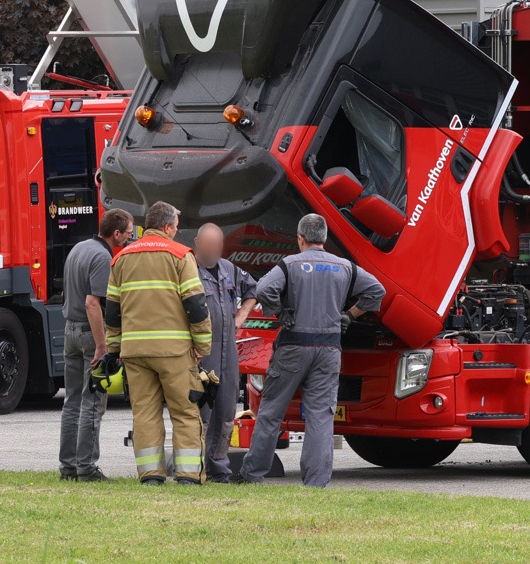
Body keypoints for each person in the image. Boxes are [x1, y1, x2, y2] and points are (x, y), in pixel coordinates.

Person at [238, 213, 384, 488]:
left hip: (293, 347)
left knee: (271, 411)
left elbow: (263, 288)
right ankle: (316, 482)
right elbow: (377, 290)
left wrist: (280, 311)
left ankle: (253, 474)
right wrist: (349, 315)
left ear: (300, 238)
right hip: (328, 349)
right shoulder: (345, 267)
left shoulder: (290, 264)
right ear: (324, 238)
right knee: (320, 415)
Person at [101, 200, 211, 485]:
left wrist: (114, 348)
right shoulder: (180, 255)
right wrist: (202, 346)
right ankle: (188, 475)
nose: (176, 232)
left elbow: (112, 311)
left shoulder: (121, 258)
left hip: (135, 352)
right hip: (174, 351)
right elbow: (196, 305)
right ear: (167, 227)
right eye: (176, 227)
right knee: (185, 412)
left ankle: (151, 475)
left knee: (145, 414)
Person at [59, 208, 134, 480]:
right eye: (128, 233)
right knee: (93, 403)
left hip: (69, 329)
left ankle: (68, 466)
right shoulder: (103, 257)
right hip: (90, 333)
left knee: (72, 401)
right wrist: (102, 346)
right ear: (116, 233)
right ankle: (87, 468)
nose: (129, 238)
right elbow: (93, 303)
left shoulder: (79, 248)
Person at [193, 222, 258, 482]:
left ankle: (219, 468)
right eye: (209, 244)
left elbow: (253, 290)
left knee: (226, 411)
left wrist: (241, 316)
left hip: (228, 352)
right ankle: (195, 467)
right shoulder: (188, 270)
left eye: (217, 245)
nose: (213, 249)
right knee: (200, 412)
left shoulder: (229, 269)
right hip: (201, 352)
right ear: (197, 243)